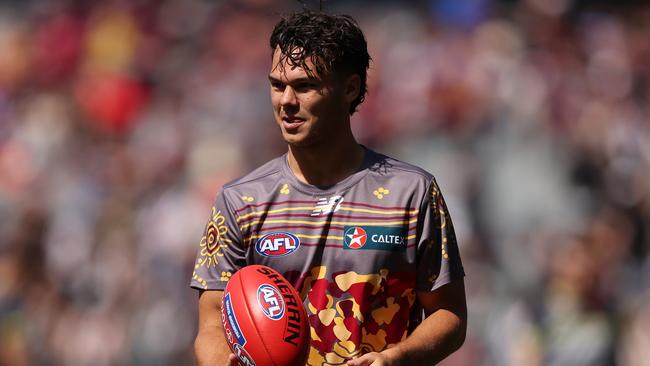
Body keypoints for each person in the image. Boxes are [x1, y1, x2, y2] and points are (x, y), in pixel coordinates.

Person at [191, 9, 466, 366]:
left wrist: (397, 358)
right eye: (277, 85)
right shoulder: (240, 201)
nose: (286, 101)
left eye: (304, 86)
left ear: (350, 88)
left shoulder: (412, 194)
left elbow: (450, 316)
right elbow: (211, 324)